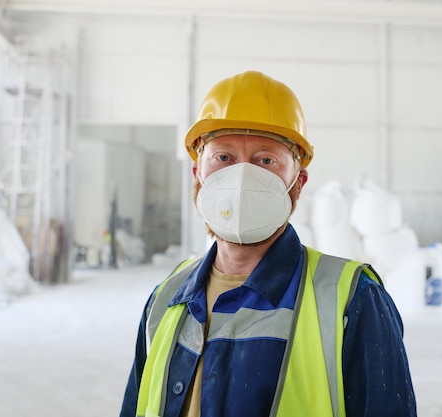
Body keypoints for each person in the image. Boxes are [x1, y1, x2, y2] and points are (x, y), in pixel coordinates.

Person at [120, 71, 417, 417]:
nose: (241, 179)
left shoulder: (353, 300)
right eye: (223, 158)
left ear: (298, 183)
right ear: (197, 173)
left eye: (265, 161)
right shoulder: (166, 298)